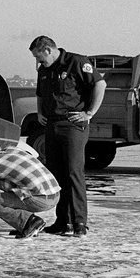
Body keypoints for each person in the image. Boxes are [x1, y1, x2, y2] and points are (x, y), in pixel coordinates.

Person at [30, 35, 105, 236]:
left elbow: (100, 84)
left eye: (39, 57)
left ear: (48, 50)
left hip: (73, 125)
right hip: (52, 125)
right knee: (56, 175)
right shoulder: (44, 70)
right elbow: (40, 93)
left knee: (74, 173)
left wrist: (89, 113)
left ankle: (80, 222)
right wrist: (40, 112)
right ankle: (63, 221)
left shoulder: (77, 62)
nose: (38, 62)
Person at [0, 145, 61, 239]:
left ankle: (30, 222)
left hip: (40, 199)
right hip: (54, 194)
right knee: (15, 192)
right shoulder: (12, 150)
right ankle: (26, 226)